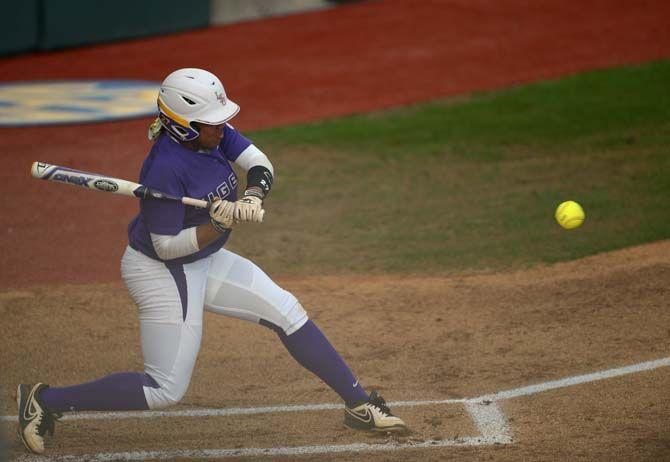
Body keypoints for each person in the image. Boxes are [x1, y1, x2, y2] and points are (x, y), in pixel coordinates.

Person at [16, 68, 407, 454]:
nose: (222, 130)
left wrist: (252, 196)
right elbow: (167, 247)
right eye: (212, 124)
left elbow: (260, 163)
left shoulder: (214, 135)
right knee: (164, 389)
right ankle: (46, 401)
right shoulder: (165, 169)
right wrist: (218, 224)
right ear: (184, 126)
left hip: (204, 259)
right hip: (160, 271)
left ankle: (359, 405)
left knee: (287, 311)